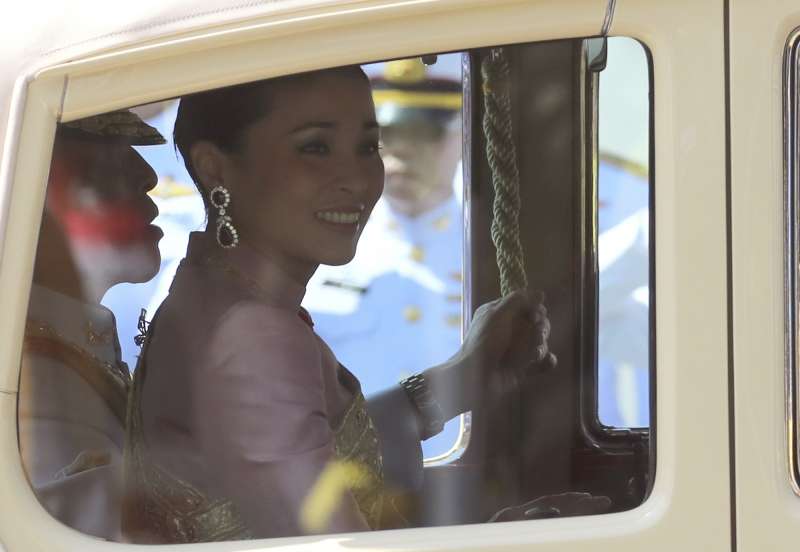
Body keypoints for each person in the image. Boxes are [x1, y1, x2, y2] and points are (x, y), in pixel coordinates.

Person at [123, 66, 554, 543]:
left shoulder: (214, 292)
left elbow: (312, 446)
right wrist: (509, 539)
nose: (356, 178)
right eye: (315, 147)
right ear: (215, 168)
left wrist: (460, 378)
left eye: (368, 147)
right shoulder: (252, 335)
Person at [303, 58, 466, 458]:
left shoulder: (492, 241)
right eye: (385, 135)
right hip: (349, 481)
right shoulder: (317, 243)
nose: (403, 151)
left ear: (461, 138)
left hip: (462, 479)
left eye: (425, 133)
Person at [17, 110, 164, 540]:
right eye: (101, 162)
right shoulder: (33, 378)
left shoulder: (62, 346)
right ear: (25, 200)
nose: (147, 174)